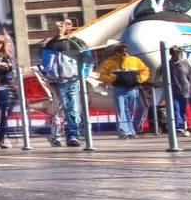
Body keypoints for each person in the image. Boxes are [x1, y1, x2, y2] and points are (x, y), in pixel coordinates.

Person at [39, 18, 91, 146]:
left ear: (65, 28)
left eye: (60, 27)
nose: (58, 30)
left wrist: (82, 75)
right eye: (55, 28)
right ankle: (56, 136)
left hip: (71, 80)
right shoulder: (49, 45)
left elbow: (88, 59)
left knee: (72, 108)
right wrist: (48, 76)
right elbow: (44, 63)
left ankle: (73, 135)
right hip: (56, 82)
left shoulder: (75, 43)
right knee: (57, 110)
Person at [96, 44, 150, 138]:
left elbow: (145, 71)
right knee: (122, 110)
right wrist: (113, 79)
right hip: (119, 89)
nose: (123, 48)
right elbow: (101, 74)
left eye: (124, 47)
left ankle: (132, 128)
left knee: (140, 108)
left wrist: (139, 79)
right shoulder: (110, 61)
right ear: (116, 49)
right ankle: (125, 131)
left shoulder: (134, 60)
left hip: (133, 89)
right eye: (121, 47)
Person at [167, 46, 191, 135]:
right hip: (176, 90)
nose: (176, 53)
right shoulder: (169, 64)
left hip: (190, 89)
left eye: (177, 52)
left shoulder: (185, 63)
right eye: (174, 52)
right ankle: (180, 127)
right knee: (178, 109)